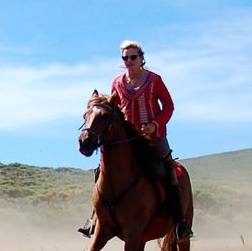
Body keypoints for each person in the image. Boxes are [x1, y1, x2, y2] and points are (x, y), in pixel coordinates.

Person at [78, 40, 192, 240]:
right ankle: (95, 219)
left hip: (153, 137)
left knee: (168, 171)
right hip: (128, 140)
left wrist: (154, 124)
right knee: (101, 171)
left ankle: (179, 223)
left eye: (133, 57)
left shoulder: (154, 80)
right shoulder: (117, 82)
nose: (128, 61)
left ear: (141, 58)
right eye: (125, 57)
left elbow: (168, 106)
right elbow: (114, 106)